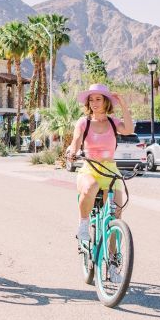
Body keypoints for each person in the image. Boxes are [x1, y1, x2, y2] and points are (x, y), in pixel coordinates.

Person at [66, 83, 133, 243]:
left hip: (110, 171)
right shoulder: (84, 122)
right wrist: (73, 152)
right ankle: (83, 224)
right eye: (91, 100)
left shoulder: (113, 122)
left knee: (115, 214)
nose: (94, 103)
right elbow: (76, 140)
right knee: (91, 186)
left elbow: (129, 129)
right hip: (90, 169)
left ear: (106, 102)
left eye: (98, 99)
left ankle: (113, 260)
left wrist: (123, 104)